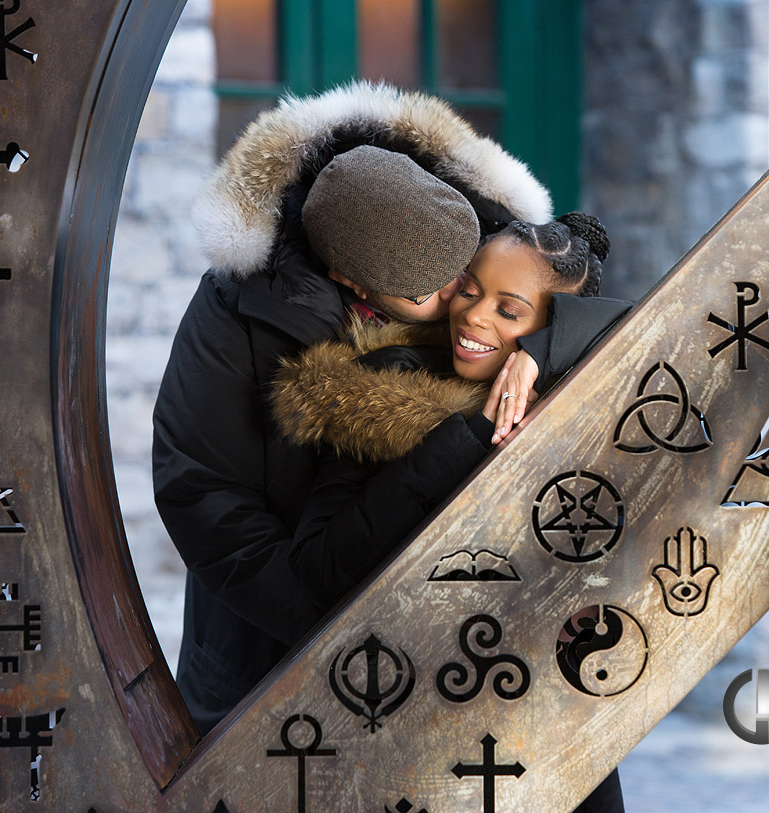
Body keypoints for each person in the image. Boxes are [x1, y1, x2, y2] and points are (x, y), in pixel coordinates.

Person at [152, 81, 554, 737]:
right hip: (282, 643)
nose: (465, 300)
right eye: (436, 288)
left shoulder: (474, 231)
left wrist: (539, 346)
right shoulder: (238, 313)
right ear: (352, 281)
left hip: (468, 640)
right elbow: (203, 492)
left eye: (467, 272)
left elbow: (574, 297)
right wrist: (342, 634)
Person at [270, 214, 629, 813]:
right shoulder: (383, 387)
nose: (474, 314)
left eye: (509, 311)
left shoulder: (591, 405)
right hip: (414, 718)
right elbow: (320, 569)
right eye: (469, 287)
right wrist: (470, 436)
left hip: (553, 714)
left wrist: (543, 352)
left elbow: (680, 329)